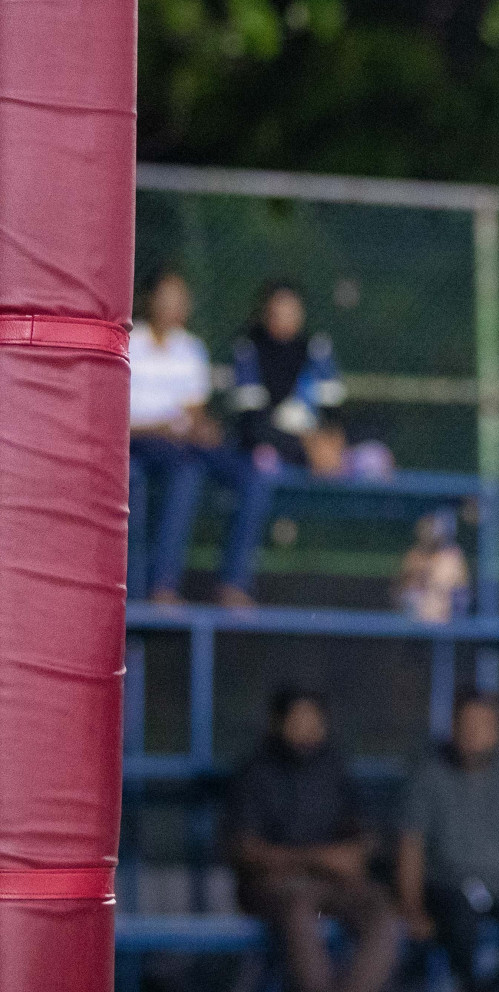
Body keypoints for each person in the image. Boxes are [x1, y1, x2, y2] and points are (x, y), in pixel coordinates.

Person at [228, 688, 399, 992]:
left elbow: (360, 834)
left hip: (332, 883)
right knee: (299, 910)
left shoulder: (332, 768)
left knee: (381, 913)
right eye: (299, 719)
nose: (308, 728)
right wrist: (317, 859)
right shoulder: (254, 772)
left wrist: (355, 852)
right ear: (278, 722)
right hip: (275, 885)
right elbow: (245, 851)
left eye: (314, 720)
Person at [129, 267, 273, 606]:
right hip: (141, 441)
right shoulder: (130, 342)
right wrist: (160, 427)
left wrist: (204, 428)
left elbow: (194, 412)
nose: (176, 305)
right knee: (187, 471)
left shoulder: (190, 349)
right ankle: (162, 586)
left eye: (181, 298)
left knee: (253, 475)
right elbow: (117, 420)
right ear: (150, 299)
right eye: (168, 297)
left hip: (179, 443)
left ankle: (233, 583)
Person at [398, 689, 499, 992]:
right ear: (454, 726)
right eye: (467, 724)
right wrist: (411, 906)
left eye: (483, 725)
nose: (474, 733)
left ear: (497, 729)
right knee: (459, 925)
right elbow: (411, 845)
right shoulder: (429, 772)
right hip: (447, 888)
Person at [233, 280, 347, 476]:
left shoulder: (316, 349)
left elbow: (334, 412)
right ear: (265, 314)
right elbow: (253, 424)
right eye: (278, 313)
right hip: (277, 444)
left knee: (372, 458)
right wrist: (305, 444)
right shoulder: (248, 351)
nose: (285, 319)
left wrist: (332, 442)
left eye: (292, 312)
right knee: (264, 461)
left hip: (319, 444)